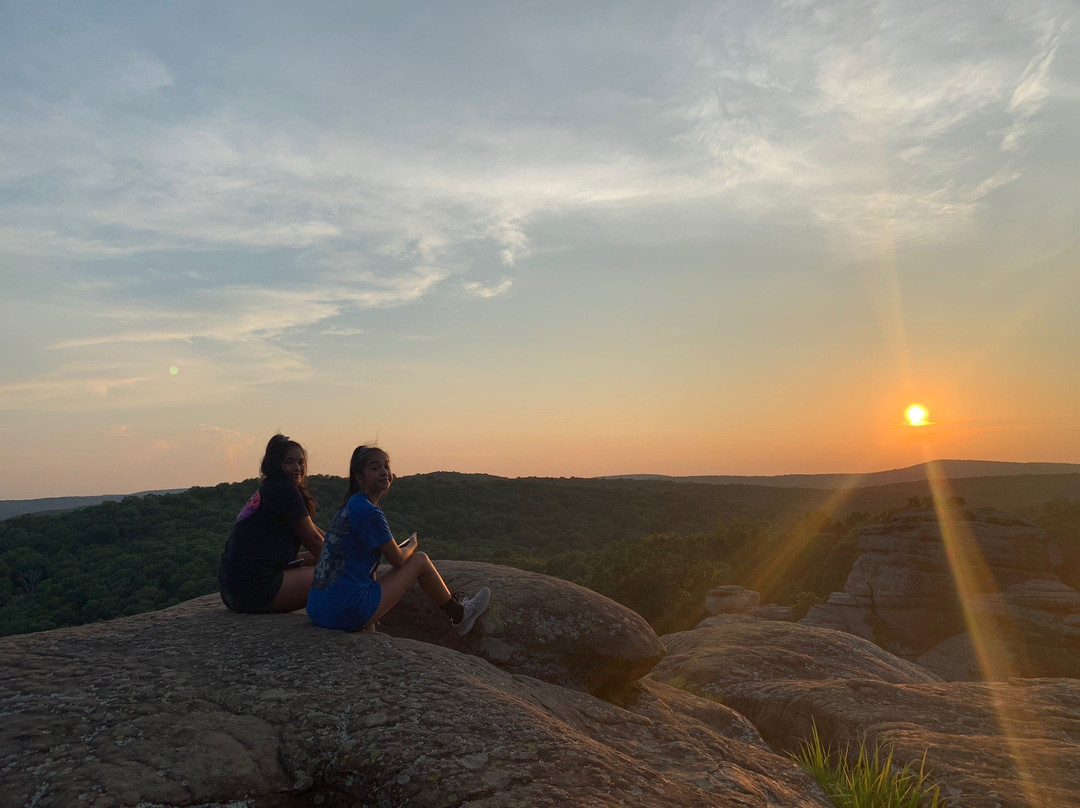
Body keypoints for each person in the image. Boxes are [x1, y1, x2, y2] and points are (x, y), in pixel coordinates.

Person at [307, 444, 490, 634]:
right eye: (374, 468)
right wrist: (411, 545)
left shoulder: (349, 506)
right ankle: (460, 614)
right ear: (359, 478)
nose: (384, 472)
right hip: (346, 613)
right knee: (420, 560)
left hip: (318, 610)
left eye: (386, 466)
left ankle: (370, 622)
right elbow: (398, 559)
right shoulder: (369, 512)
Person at [218, 434, 326, 613]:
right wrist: (348, 568)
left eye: (301, 462)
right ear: (277, 465)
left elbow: (314, 531)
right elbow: (314, 541)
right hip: (254, 591)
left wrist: (341, 548)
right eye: (290, 462)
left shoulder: (270, 488)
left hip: (231, 591)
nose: (297, 468)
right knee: (337, 575)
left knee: (335, 557)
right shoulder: (285, 490)